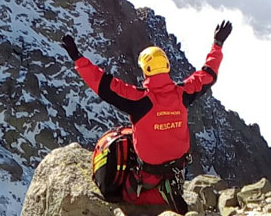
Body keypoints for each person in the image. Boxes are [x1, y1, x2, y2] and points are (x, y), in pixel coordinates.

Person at [60, 21, 233, 213]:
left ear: (145, 70)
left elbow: (104, 84)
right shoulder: (182, 93)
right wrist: (217, 44)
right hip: (179, 166)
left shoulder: (139, 99)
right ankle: (169, 189)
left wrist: (77, 58)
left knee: (120, 187)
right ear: (167, 66)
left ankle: (156, 193)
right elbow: (207, 75)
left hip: (149, 170)